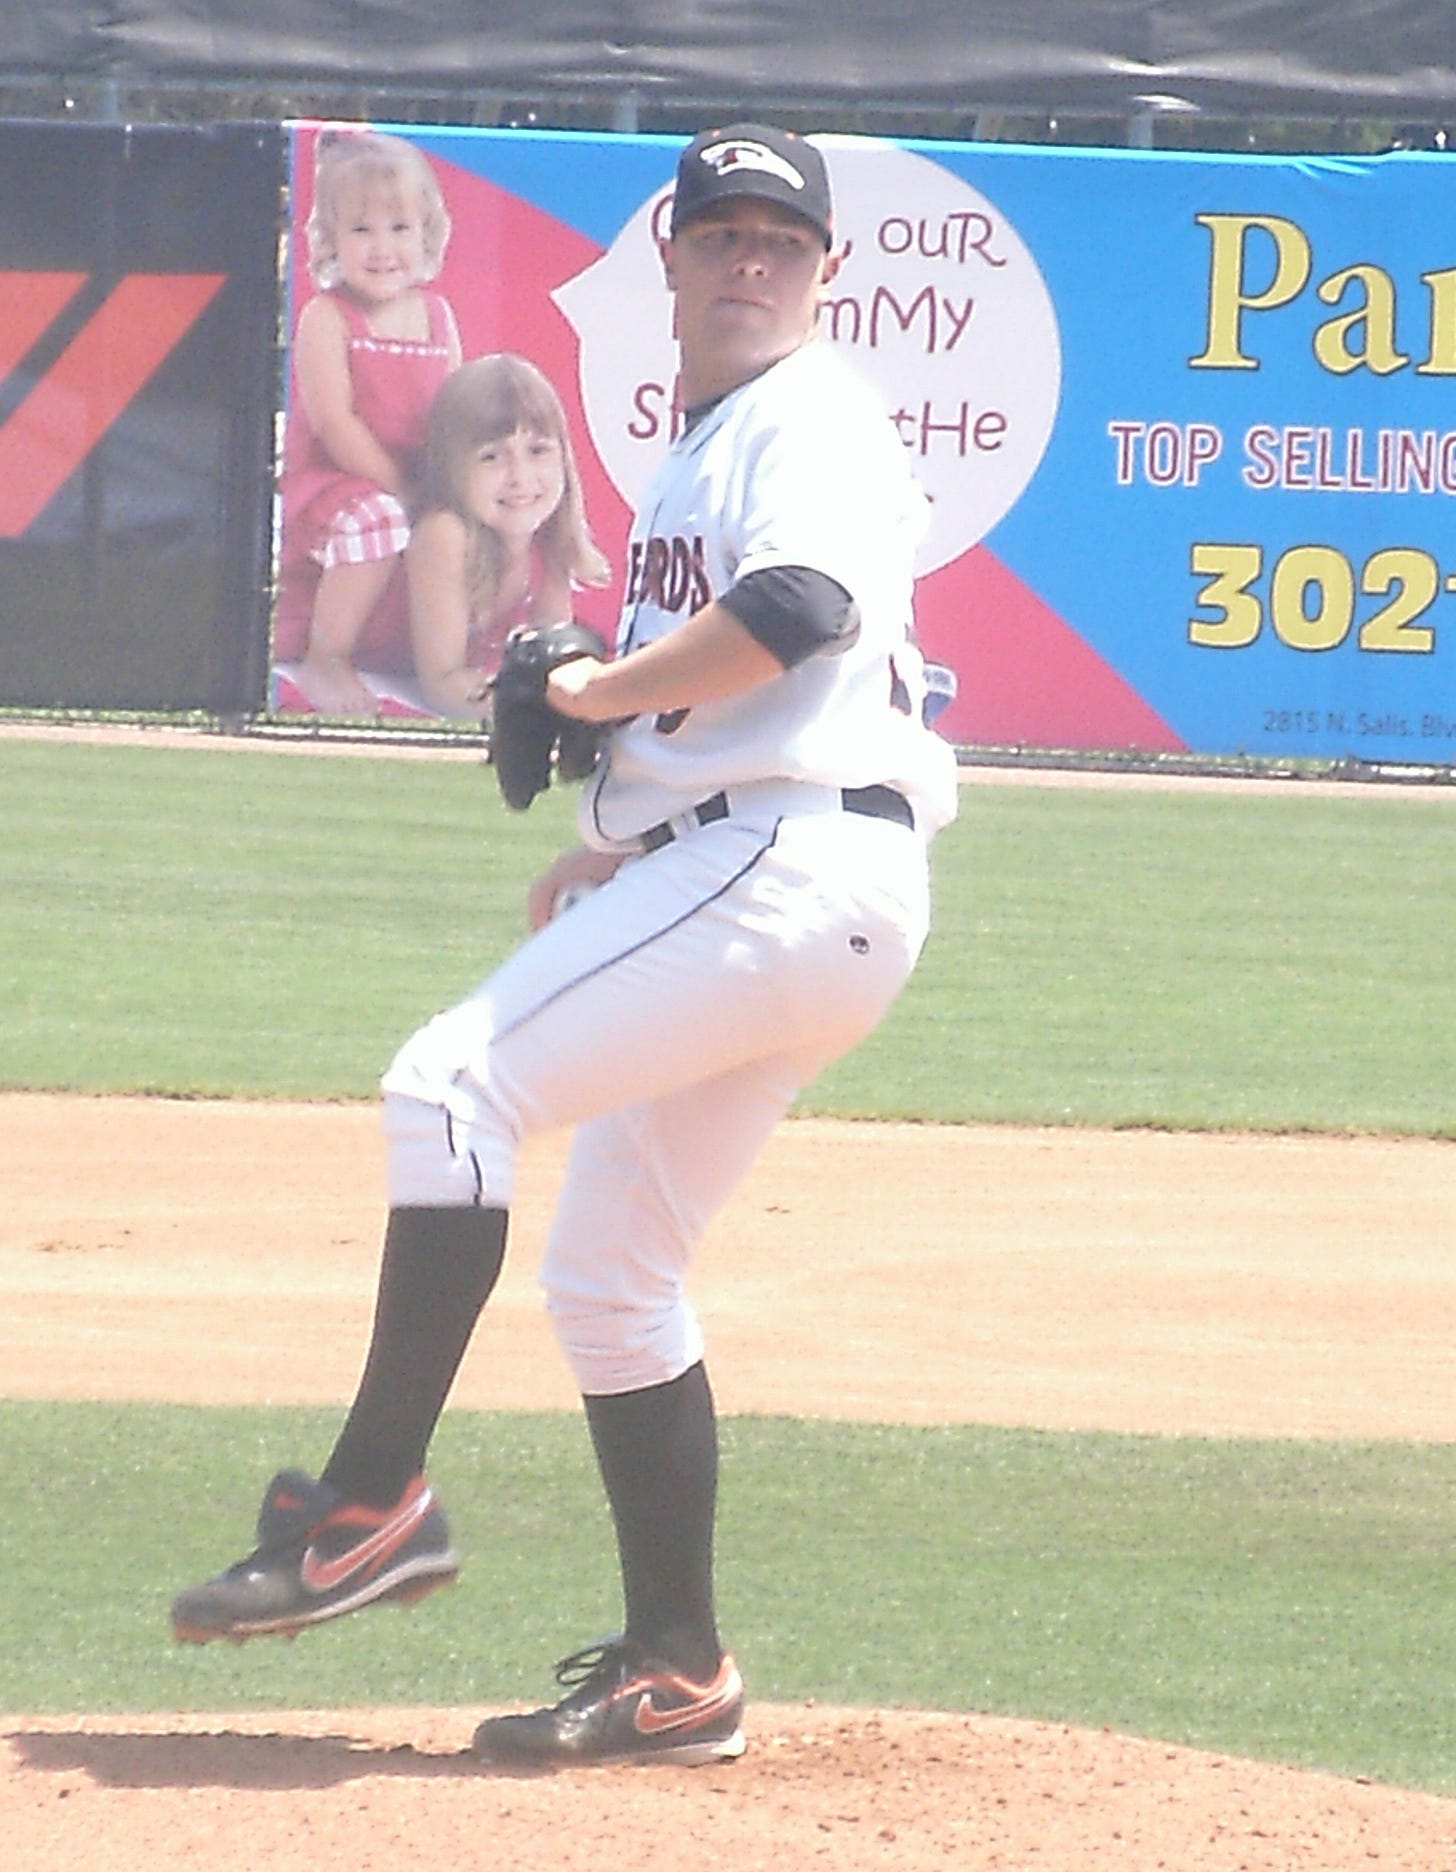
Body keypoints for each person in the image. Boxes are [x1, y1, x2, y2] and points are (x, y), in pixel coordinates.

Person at [171, 123, 959, 1768]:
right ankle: (678, 1668)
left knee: (448, 1084)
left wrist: (598, 691)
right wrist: (616, 840)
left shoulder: (805, 417)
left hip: (793, 862)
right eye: (721, 233)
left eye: (780, 241)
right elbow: (754, 671)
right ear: (666, 255)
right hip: (786, 869)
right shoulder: (708, 438)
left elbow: (803, 614)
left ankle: (364, 1509)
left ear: (823, 273)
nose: (749, 260)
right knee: (610, 1275)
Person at [273, 129, 463, 715]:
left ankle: (445, 662)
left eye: (400, 229)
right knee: (377, 521)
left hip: (413, 479)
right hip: (335, 486)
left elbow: (454, 413)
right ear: (330, 240)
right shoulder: (327, 316)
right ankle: (326, 657)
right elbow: (335, 424)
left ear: (427, 233)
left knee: (465, 526)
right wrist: (398, 487)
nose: (383, 248)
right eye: (362, 231)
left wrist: (442, 488)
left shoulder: (437, 315)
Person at [405, 354, 610, 718]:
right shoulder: (445, 533)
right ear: (451, 467)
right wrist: (545, 714)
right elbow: (441, 683)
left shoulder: (548, 539)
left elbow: (554, 662)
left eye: (538, 450)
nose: (520, 476)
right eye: (491, 457)